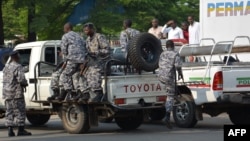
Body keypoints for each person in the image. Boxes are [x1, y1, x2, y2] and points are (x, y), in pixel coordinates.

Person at [2, 50, 32, 137]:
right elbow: (21, 79)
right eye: (18, 55)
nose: (19, 57)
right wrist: (25, 83)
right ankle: (21, 130)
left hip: (7, 93)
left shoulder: (6, 67)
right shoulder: (18, 67)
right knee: (20, 111)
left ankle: (10, 130)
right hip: (16, 93)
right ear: (16, 57)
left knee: (9, 111)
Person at [82, 22, 111, 102]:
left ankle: (99, 93)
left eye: (87, 30)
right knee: (83, 73)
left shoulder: (99, 37)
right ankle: (88, 93)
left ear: (92, 29)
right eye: (84, 31)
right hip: (93, 62)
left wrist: (96, 52)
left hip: (103, 61)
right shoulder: (87, 40)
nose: (86, 32)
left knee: (94, 72)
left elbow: (107, 50)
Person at [157, 40, 183, 129]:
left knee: (162, 95)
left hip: (160, 77)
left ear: (166, 46)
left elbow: (159, 64)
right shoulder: (175, 54)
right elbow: (178, 66)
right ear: (173, 46)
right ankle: (167, 116)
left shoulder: (162, 54)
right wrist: (180, 73)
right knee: (170, 96)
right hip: (169, 78)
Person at [59, 22, 87, 101]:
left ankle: (71, 93)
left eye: (64, 29)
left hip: (72, 60)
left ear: (66, 29)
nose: (63, 30)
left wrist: (64, 58)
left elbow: (64, 50)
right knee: (76, 75)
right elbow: (85, 46)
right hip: (82, 60)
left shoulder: (65, 36)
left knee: (65, 75)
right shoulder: (80, 36)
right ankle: (82, 92)